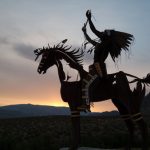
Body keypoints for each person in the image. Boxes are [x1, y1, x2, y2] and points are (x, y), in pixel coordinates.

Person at [78, 10, 134, 112]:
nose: (102, 32)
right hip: (95, 66)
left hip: (98, 68)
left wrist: (90, 19)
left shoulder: (106, 45)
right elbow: (90, 39)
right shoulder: (99, 45)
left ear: (106, 37)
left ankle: (86, 105)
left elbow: (94, 30)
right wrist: (84, 32)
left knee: (86, 82)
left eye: (104, 32)